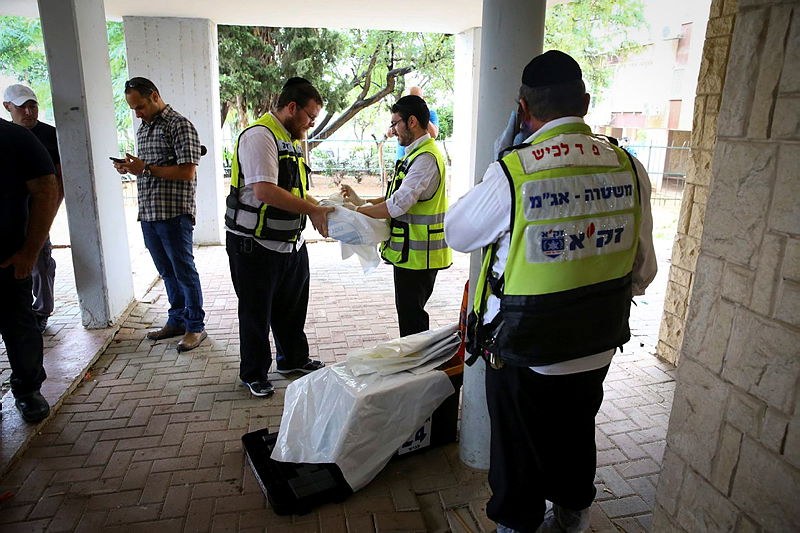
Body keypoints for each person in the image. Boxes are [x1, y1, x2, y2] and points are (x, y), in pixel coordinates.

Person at [444, 50, 657, 533]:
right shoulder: (628, 166)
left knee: (519, 450)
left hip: (523, 348)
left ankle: (517, 523)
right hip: (597, 342)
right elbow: (643, 268)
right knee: (577, 433)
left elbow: (458, 234)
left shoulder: (514, 172)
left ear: (522, 110)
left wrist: (496, 167)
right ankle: (573, 516)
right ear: (585, 101)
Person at [224, 77, 331, 398]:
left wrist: (321, 207)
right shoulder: (260, 136)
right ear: (291, 107)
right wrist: (313, 212)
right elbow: (265, 191)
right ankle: (253, 373)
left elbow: (294, 190)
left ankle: (292, 359)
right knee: (256, 312)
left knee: (292, 307)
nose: (311, 124)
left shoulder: (289, 139)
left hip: (290, 242)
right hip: (255, 244)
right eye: (310, 116)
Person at [342, 95, 451, 337]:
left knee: (412, 323)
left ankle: (417, 369)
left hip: (419, 257)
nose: (392, 131)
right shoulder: (415, 154)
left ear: (411, 121)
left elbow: (398, 205)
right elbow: (395, 196)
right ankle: (415, 366)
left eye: (395, 124)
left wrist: (357, 211)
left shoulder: (425, 159)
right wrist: (360, 201)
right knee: (410, 317)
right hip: (410, 254)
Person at [111, 77, 206, 352]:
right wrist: (130, 168)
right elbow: (146, 168)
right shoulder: (144, 129)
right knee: (167, 272)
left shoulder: (180, 125)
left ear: (154, 96)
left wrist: (146, 169)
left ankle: (195, 326)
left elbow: (187, 171)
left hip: (174, 213)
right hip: (149, 213)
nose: (137, 113)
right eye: (133, 109)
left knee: (184, 271)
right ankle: (176, 320)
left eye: (140, 106)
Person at [0, 117, 60, 423]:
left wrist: (29, 251)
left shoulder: (15, 139)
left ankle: (27, 391)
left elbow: (47, 191)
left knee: (20, 326)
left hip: (9, 260)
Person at [3, 84, 63, 333]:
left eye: (33, 106)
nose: (28, 112)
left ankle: (41, 311)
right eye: (22, 107)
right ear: (8, 107)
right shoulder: (6, 137)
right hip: (8, 219)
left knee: (40, 262)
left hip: (36, 215)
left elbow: (57, 182)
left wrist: (49, 212)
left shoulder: (50, 135)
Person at [388, 86, 439, 161]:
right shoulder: (400, 114)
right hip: (402, 158)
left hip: (418, 157)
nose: (414, 101)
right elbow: (389, 134)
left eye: (417, 99)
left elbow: (434, 135)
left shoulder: (431, 113)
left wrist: (421, 113)